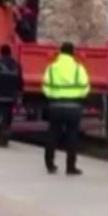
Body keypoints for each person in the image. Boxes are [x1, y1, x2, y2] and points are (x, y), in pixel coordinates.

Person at [42, 42, 90, 175]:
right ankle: (70, 167)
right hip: (74, 107)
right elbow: (85, 87)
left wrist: (54, 95)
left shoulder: (51, 68)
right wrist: (77, 96)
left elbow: (45, 87)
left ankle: (50, 164)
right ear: (73, 53)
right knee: (72, 136)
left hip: (55, 106)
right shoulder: (79, 68)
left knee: (53, 134)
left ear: (60, 52)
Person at [0, 44, 23, 147]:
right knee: (8, 117)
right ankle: (5, 137)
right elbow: (20, 82)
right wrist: (19, 94)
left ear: (1, 53)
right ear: (10, 53)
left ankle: (0, 135)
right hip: (11, 97)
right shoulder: (16, 65)